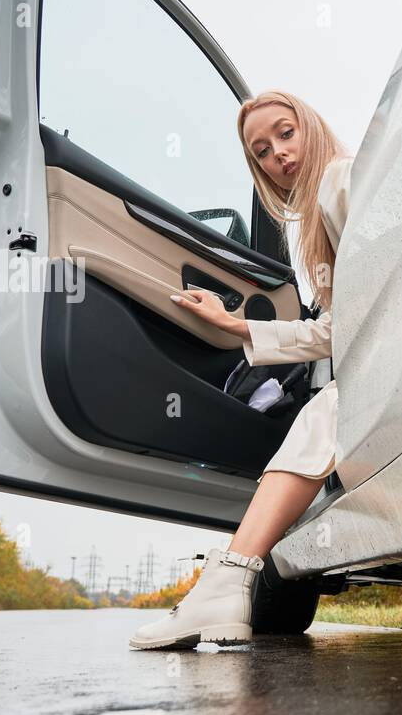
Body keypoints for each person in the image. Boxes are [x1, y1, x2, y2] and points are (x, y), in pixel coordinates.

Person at [129, 91, 352, 650]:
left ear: (312, 129)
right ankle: (224, 589)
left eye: (285, 133)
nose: (278, 153)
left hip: (401, 356)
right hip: (378, 353)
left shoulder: (342, 181)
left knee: (322, 412)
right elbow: (333, 328)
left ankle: (222, 588)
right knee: (319, 414)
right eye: (262, 149)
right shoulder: (317, 222)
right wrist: (235, 325)